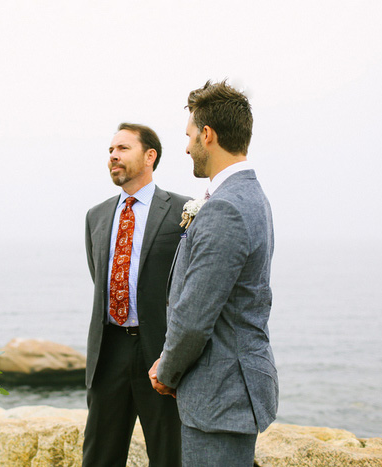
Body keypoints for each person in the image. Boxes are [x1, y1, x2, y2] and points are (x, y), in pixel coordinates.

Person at [149, 81, 278, 466]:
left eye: (189, 136)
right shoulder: (251, 195)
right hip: (230, 391)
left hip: (220, 395)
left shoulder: (226, 208)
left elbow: (195, 313)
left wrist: (167, 370)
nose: (186, 147)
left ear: (208, 134)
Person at [83, 123, 188, 466]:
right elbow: (99, 277)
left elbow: (189, 284)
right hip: (109, 349)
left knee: (168, 453)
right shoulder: (96, 216)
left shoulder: (182, 211)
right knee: (99, 455)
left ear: (150, 156)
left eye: (123, 149)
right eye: (110, 150)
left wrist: (175, 353)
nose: (113, 156)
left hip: (159, 351)